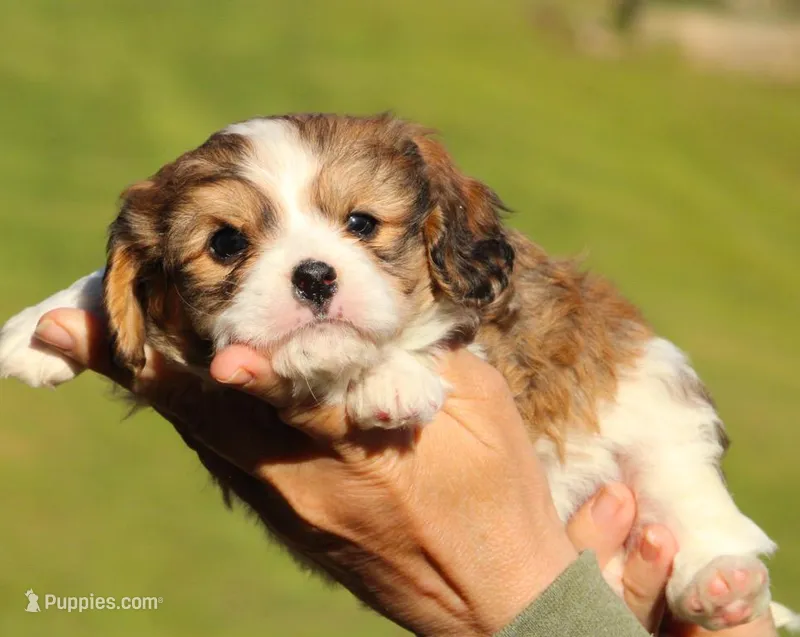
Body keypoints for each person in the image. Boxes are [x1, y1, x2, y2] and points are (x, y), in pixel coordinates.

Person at [32, 309, 778, 637]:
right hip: (611, 557)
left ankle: (713, 540)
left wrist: (534, 609)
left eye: (362, 225)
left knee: (657, 393)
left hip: (599, 469)